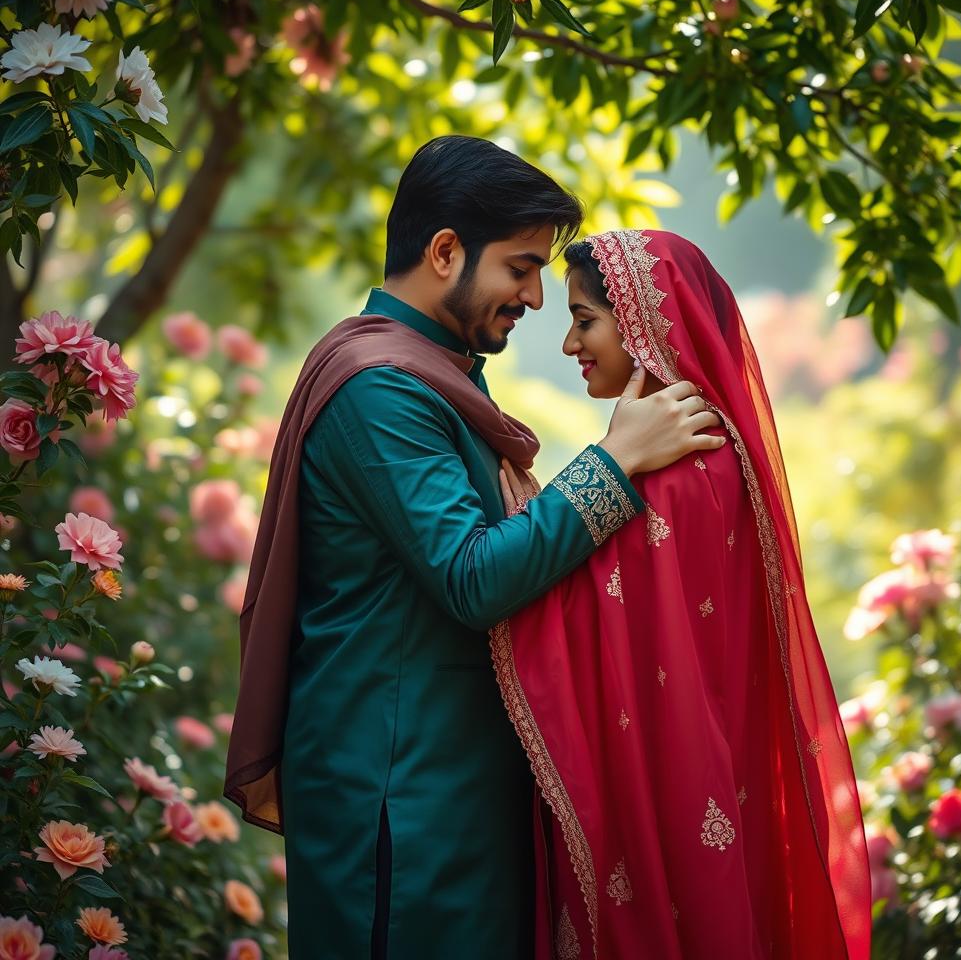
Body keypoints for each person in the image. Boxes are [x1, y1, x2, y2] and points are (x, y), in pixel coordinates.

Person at [223, 140, 725, 958]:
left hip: (447, 785)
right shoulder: (379, 387)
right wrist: (614, 463)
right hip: (399, 798)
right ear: (445, 250)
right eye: (521, 268)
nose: (533, 297)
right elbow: (473, 574)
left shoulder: (434, 371)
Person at [492, 230, 871, 959]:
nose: (571, 344)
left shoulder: (671, 475)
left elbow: (575, 619)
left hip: (665, 801)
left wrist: (524, 521)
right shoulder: (722, 454)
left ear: (638, 324)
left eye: (585, 319)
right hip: (714, 780)